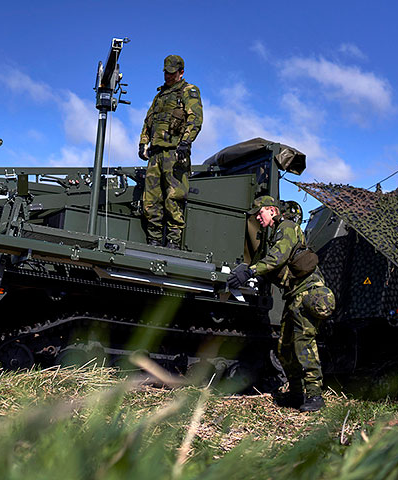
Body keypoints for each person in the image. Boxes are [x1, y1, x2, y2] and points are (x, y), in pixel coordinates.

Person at [227, 196, 335, 412]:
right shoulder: (273, 233)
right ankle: (296, 394)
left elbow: (277, 258)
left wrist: (251, 270)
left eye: (260, 213)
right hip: (293, 295)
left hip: (307, 292)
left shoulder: (287, 227)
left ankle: (315, 395)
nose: (258, 217)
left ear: (272, 210)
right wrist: (245, 269)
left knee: (303, 343)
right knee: (285, 349)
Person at [138, 55, 203, 249]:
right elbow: (149, 120)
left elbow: (195, 119)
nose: (168, 76)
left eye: (172, 73)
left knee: (173, 199)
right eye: (166, 72)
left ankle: (173, 243)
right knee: (150, 201)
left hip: (175, 153)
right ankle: (154, 240)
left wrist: (185, 143)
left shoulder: (189, 91)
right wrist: (143, 143)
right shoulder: (160, 96)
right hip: (156, 155)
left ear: (181, 72)